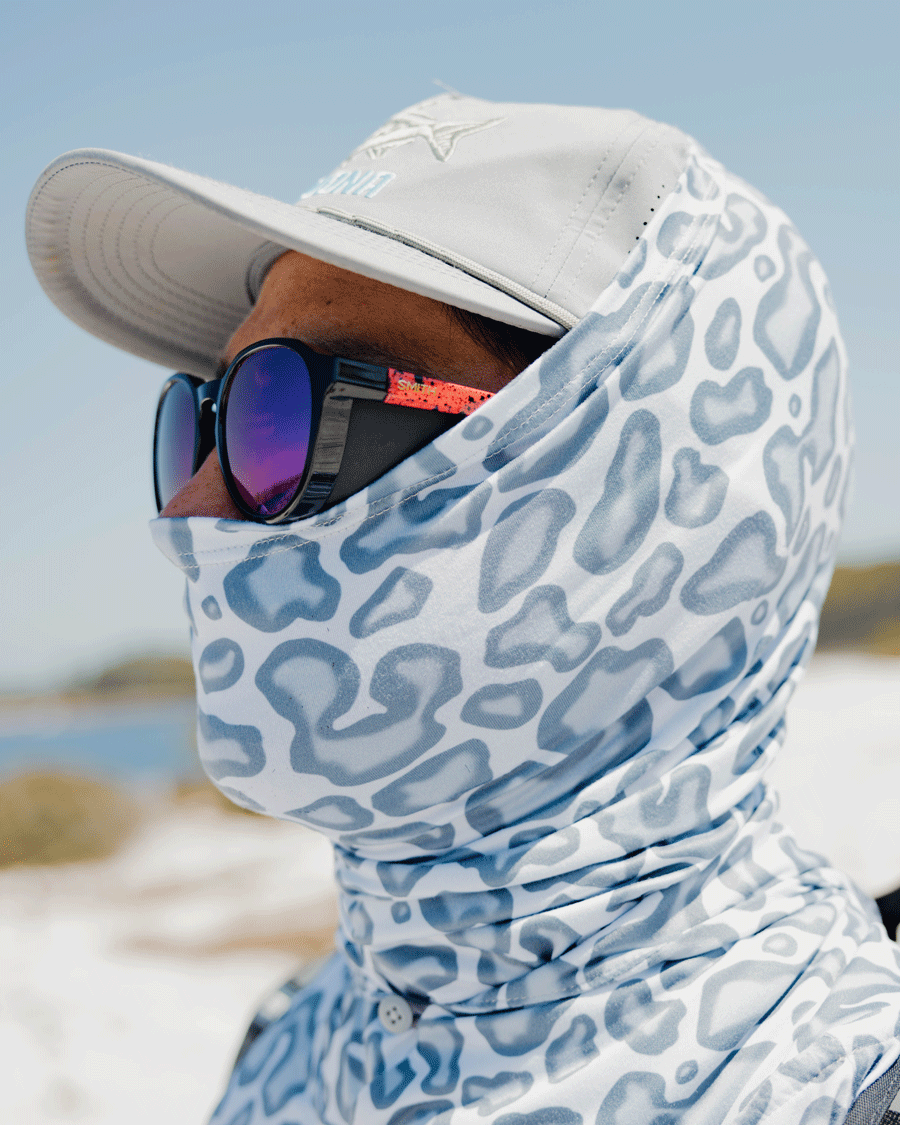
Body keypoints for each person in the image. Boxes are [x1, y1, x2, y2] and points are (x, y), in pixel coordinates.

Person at [27, 93, 900, 1125]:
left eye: (279, 409)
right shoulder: (280, 1048)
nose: (190, 507)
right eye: (201, 420)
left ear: (642, 491)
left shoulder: (840, 1082)